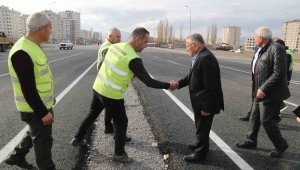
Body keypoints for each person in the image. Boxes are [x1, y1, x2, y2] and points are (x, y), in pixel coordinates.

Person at [70, 27, 177, 163]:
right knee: (121, 122)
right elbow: (149, 82)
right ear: (137, 39)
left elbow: (104, 64)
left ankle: (78, 138)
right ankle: (119, 154)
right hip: (112, 94)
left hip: (98, 88)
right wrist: (169, 85)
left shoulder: (115, 47)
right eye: (145, 42)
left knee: (92, 114)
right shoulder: (133, 59)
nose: (146, 46)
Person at [5, 12, 56, 169]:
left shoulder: (33, 46)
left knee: (33, 132)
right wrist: (43, 112)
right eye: (49, 28)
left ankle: (17, 157)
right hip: (34, 109)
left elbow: (41, 78)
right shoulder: (22, 52)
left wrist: (50, 97)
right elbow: (27, 89)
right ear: (41, 29)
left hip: (41, 104)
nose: (50, 31)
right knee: (43, 143)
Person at [235, 26, 290, 158]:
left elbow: (279, 73)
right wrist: (257, 88)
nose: (254, 39)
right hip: (258, 91)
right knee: (254, 117)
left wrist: (263, 88)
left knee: (267, 121)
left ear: (262, 38)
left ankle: (281, 145)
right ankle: (251, 141)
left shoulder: (276, 49)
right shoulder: (260, 49)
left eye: (255, 37)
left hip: (271, 93)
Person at [173, 33, 224, 163]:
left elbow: (212, 86)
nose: (186, 49)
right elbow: (192, 76)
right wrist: (179, 83)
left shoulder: (206, 58)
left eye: (187, 46)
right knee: (200, 126)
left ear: (195, 45)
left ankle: (200, 154)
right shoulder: (200, 56)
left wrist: (207, 107)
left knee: (202, 127)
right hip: (199, 101)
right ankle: (201, 146)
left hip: (205, 103)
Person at [96, 28, 124, 136]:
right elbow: (105, 64)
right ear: (110, 36)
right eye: (118, 37)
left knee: (95, 112)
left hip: (103, 82)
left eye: (120, 37)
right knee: (119, 115)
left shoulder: (108, 46)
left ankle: (108, 127)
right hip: (106, 82)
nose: (120, 39)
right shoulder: (107, 48)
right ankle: (119, 144)